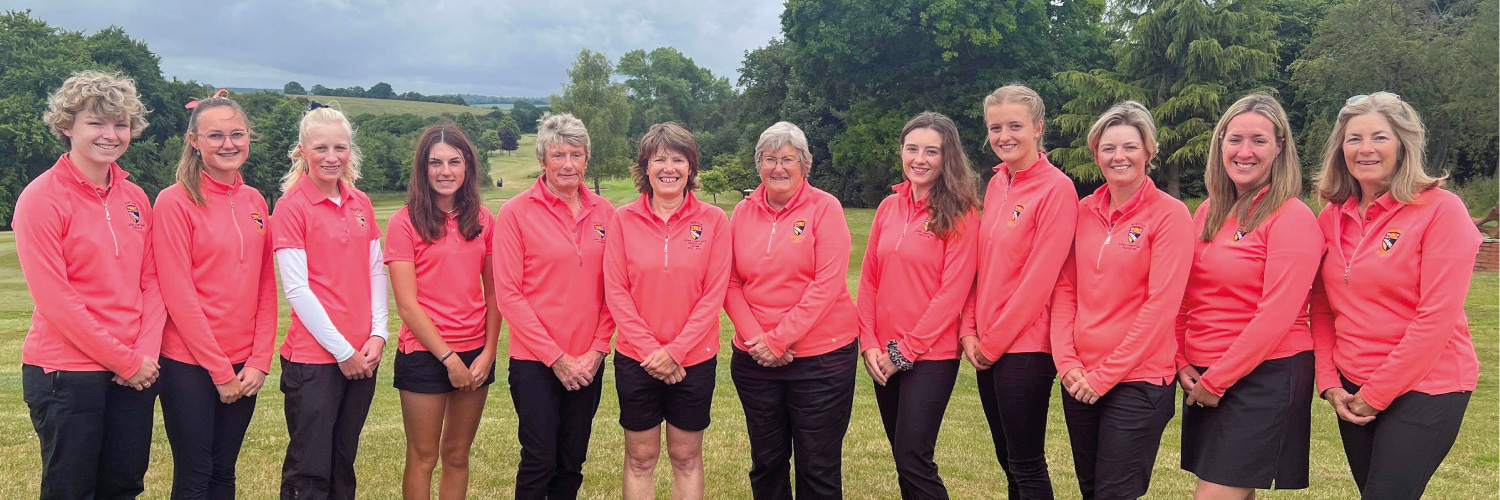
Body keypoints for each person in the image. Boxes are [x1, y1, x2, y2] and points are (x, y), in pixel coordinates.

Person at [1310, 91, 1481, 500]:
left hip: (1428, 386)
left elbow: (1436, 319)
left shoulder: (1442, 210)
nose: (1365, 149)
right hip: (1351, 388)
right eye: (1354, 139)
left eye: (1379, 137)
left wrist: (1376, 394)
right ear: (1340, 149)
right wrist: (1330, 382)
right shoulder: (1330, 217)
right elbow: (1320, 309)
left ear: (1403, 146)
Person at [16, 69, 164, 500]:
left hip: (134, 370)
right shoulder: (41, 198)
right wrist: (125, 360)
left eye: (120, 124)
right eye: (96, 122)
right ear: (67, 126)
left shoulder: (136, 198)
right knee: (71, 490)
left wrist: (144, 356)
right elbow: (56, 300)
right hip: (66, 373)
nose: (110, 134)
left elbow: (152, 282)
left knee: (122, 486)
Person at [1175, 94, 1321, 499]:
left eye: (1258, 140)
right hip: (1204, 373)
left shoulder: (1292, 217)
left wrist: (1218, 380)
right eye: (1234, 138)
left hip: (1263, 376)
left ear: (1279, 147)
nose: (1244, 151)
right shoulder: (1208, 211)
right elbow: (1184, 294)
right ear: (1220, 143)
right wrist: (1181, 359)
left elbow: (1276, 315)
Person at [1051, 101, 1192, 500]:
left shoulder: (1170, 215)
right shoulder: (1081, 211)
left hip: (1139, 381)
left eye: (1130, 146)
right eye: (1108, 148)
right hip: (1080, 378)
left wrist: (1104, 376)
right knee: (1091, 489)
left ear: (1149, 151)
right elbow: (1064, 290)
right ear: (1096, 155)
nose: (1119, 157)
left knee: (1115, 493)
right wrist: (1067, 364)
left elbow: (1160, 307)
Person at [725, 121, 860, 500]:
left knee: (818, 468)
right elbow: (730, 283)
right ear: (759, 165)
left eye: (787, 159)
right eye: (770, 159)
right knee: (767, 464)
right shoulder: (742, 212)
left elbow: (827, 284)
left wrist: (780, 339)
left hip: (821, 361)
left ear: (805, 164)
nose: (778, 168)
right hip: (755, 362)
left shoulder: (825, 208)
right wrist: (759, 341)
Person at [154, 89, 277, 499]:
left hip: (245, 364)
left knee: (224, 473)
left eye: (237, 134)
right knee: (195, 476)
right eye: (216, 136)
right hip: (189, 365)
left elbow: (264, 286)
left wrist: (260, 359)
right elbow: (179, 296)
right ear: (195, 141)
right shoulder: (175, 202)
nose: (229, 144)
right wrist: (219, 371)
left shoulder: (255, 200)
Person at [961, 84, 1077, 500]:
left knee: (1026, 464)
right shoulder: (996, 185)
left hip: (1026, 347)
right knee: (1007, 459)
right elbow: (981, 266)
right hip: (988, 344)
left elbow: (1038, 281)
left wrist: (992, 344)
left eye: (1015, 126)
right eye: (996, 127)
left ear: (1038, 128)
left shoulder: (1057, 189)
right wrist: (969, 329)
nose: (1004, 136)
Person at [856, 111, 979, 500]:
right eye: (912, 149)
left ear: (948, 157)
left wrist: (902, 352)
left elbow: (952, 293)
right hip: (882, 354)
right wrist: (870, 344)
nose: (920, 159)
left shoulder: (961, 212)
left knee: (914, 458)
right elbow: (869, 280)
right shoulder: (888, 208)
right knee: (901, 458)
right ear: (902, 152)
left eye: (932, 151)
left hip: (930, 357)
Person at [605, 122, 731, 500]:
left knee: (686, 457)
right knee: (641, 458)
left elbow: (714, 294)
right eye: (659, 159)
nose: (669, 168)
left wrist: (675, 352)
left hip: (693, 360)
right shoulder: (622, 219)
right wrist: (651, 352)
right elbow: (616, 292)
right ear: (646, 167)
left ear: (691, 167)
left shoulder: (714, 221)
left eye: (678, 159)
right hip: (635, 359)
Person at [492, 112, 615, 500]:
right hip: (535, 363)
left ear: (586, 159)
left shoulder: (606, 214)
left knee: (572, 461)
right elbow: (509, 293)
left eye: (576, 155)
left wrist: (596, 352)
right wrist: (556, 358)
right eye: (558, 155)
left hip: (588, 361)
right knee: (539, 460)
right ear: (543, 160)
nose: (568, 164)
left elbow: (616, 289)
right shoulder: (515, 212)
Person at [272, 104, 389, 500]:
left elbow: (375, 271)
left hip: (363, 355)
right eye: (321, 148)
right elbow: (297, 290)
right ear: (303, 150)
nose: (331, 157)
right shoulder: (291, 207)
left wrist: (378, 334)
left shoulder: (360, 203)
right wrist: (343, 351)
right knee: (310, 471)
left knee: (343, 465)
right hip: (314, 361)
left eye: (340, 147)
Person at [387, 123, 501, 500]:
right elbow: (406, 304)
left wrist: (488, 352)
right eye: (435, 163)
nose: (445, 171)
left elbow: (495, 292)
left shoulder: (484, 220)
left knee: (457, 454)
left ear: (467, 165)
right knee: (423, 456)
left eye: (454, 161)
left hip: (475, 354)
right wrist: (448, 358)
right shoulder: (404, 222)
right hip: (424, 354)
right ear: (423, 168)